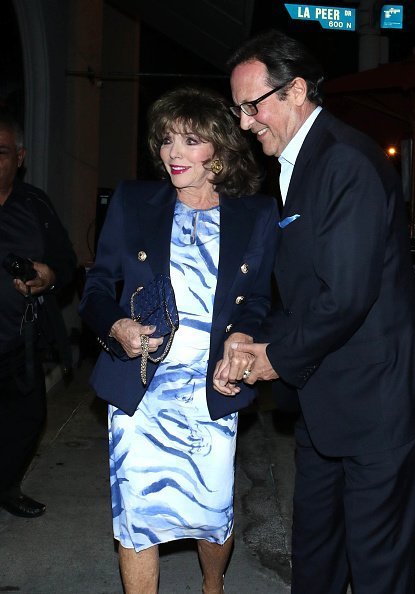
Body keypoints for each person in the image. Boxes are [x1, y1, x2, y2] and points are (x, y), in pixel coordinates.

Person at [214, 30, 415, 594]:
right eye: (238, 109)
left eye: (252, 106)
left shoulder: (344, 160)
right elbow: (300, 287)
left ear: (296, 90)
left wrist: (274, 359)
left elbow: (345, 295)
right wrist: (251, 336)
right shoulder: (298, 163)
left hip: (378, 405)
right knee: (316, 557)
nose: (246, 123)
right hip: (326, 400)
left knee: (375, 570)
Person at [79, 86, 279, 594]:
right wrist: (115, 328)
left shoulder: (255, 215)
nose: (173, 154)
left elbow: (257, 298)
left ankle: (214, 585)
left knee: (212, 510)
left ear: (219, 149)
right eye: (167, 141)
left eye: (190, 141)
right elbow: (98, 286)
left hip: (210, 386)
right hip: (140, 385)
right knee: (136, 518)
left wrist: (241, 338)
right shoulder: (133, 201)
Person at [0, 109, 76, 518]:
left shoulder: (34, 204)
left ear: (20, 157)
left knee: (27, 422)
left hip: (19, 341)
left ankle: (7, 486)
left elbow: (66, 261)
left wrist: (48, 277)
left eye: (1, 151)